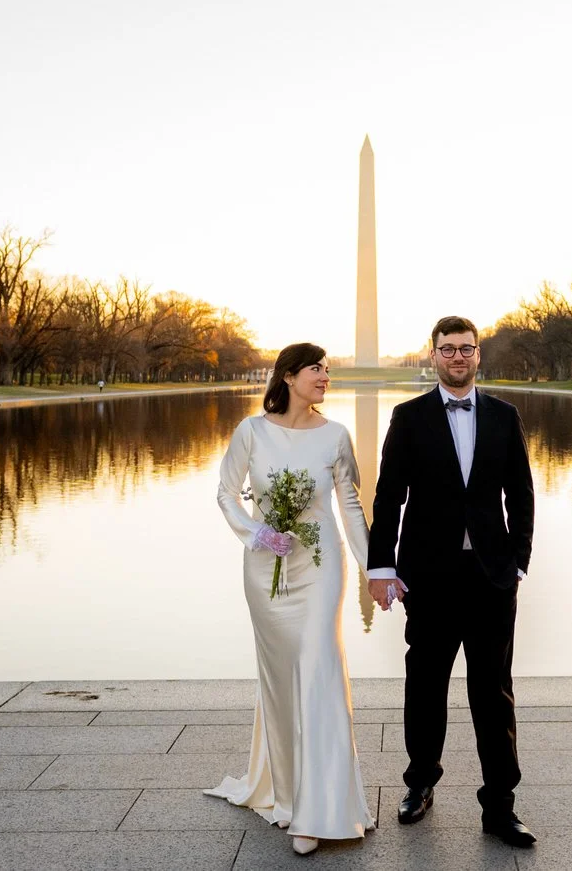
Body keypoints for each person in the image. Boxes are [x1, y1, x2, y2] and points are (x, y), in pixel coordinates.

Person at [366, 315, 536, 849]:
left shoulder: (504, 416)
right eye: (448, 349)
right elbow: (388, 496)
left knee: (494, 692)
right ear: (434, 354)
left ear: (478, 355)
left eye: (466, 349)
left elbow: (522, 494)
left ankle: (500, 806)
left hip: (490, 576)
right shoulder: (408, 417)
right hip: (429, 576)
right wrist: (381, 566)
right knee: (425, 685)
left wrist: (519, 563)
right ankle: (419, 784)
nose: (457, 357)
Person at [205, 342, 376, 856]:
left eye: (327, 369)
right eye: (315, 369)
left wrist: (375, 568)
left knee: (320, 671)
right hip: (267, 571)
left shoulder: (336, 435)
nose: (325, 376)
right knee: (281, 682)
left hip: (320, 567)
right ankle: (289, 795)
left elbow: (350, 506)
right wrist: (257, 534)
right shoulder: (251, 432)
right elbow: (226, 492)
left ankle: (319, 810)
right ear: (288, 376)